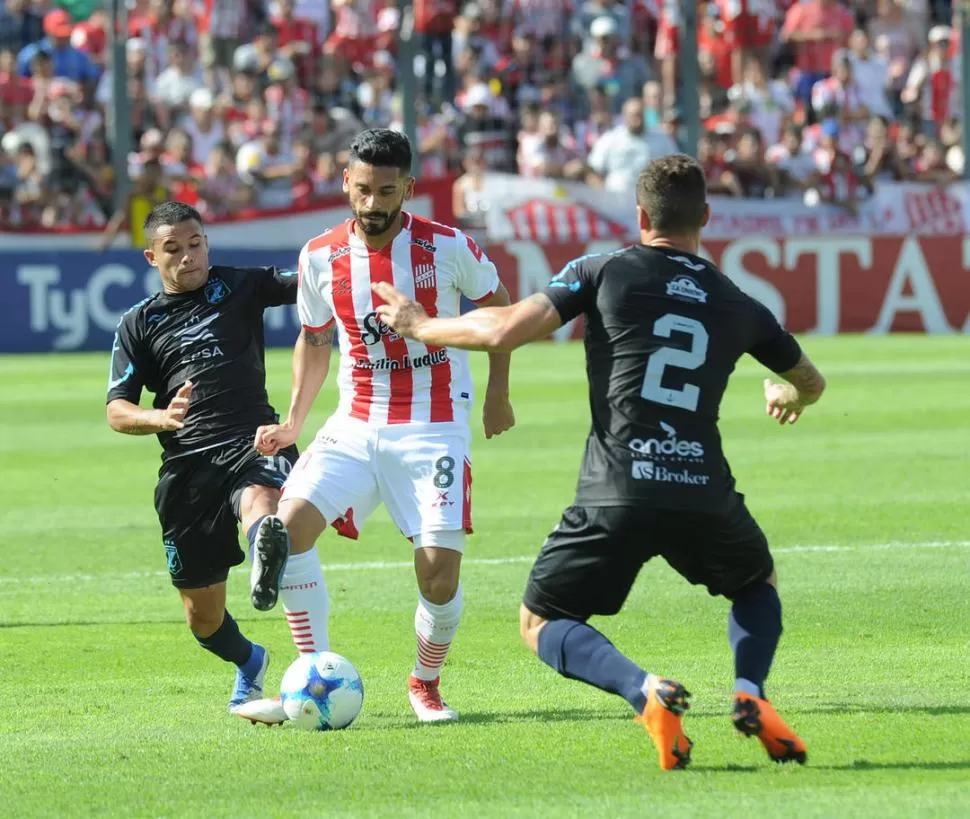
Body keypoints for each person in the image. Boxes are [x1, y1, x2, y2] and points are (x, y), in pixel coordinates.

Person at [371, 154, 826, 769]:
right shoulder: (738, 300)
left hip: (618, 489)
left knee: (540, 620)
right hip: (701, 488)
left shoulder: (604, 270)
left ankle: (646, 692)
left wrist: (422, 325)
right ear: (707, 218)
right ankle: (750, 691)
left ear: (640, 215)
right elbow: (811, 381)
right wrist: (786, 393)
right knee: (755, 584)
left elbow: (505, 329)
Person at [248, 128, 516, 724]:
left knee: (439, 578)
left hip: (434, 423)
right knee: (284, 533)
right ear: (346, 183)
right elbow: (315, 339)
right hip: (356, 419)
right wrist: (294, 420)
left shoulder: (448, 247)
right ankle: (311, 675)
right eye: (362, 190)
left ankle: (424, 683)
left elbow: (502, 311)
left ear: (408, 189)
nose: (372, 204)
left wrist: (498, 392)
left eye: (386, 191)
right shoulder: (319, 254)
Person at [105, 201, 331, 718]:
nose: (188, 257)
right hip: (187, 468)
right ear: (151, 257)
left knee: (262, 501)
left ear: (207, 243)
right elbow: (116, 411)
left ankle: (265, 549)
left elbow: (314, 280)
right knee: (202, 618)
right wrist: (160, 418)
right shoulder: (137, 324)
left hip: (253, 438)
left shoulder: (242, 285)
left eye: (196, 244)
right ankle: (250, 660)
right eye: (174, 249)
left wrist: (344, 253)